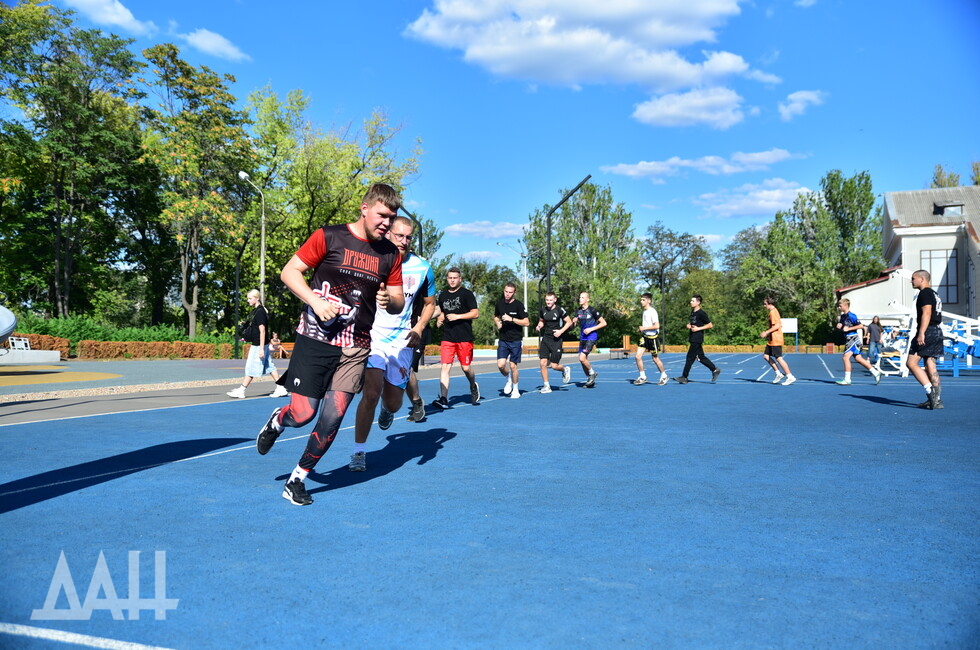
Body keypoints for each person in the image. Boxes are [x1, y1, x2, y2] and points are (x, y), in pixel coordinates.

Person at [253, 183, 405, 506]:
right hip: (316, 338)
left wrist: (387, 299)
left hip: (356, 346)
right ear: (364, 208)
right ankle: (279, 420)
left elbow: (398, 301)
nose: (386, 224)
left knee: (333, 416)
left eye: (392, 219)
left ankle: (297, 479)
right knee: (304, 413)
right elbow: (289, 272)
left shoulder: (390, 254)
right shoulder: (329, 236)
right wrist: (314, 301)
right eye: (382, 216)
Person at [349, 216, 435, 471]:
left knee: (393, 402)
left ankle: (389, 410)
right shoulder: (371, 258)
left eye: (408, 237)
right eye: (399, 236)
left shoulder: (422, 267)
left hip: (402, 341)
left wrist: (419, 327)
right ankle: (358, 452)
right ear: (388, 234)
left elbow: (430, 305)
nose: (404, 241)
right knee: (371, 393)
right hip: (373, 335)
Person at [432, 267, 481, 408]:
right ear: (447, 279)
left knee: (466, 368)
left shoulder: (467, 294)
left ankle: (473, 385)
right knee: (445, 367)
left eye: (455, 278)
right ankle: (443, 399)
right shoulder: (442, 295)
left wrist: (458, 316)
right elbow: (442, 311)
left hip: (464, 337)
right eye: (450, 278)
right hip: (448, 336)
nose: (452, 280)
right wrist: (439, 319)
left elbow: (475, 313)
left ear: (460, 279)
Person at [227, 289, 289, 399]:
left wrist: (261, 349)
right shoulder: (256, 311)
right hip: (261, 344)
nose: (248, 300)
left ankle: (241, 390)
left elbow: (263, 331)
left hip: (258, 345)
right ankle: (281, 388)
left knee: (250, 367)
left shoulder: (260, 312)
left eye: (250, 298)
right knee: (270, 366)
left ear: (257, 298)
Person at [906, 270, 944, 409]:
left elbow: (927, 312)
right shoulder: (934, 293)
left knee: (911, 362)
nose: (911, 281)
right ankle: (937, 400)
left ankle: (930, 393)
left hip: (927, 330)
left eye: (913, 278)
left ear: (922, 279)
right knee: (930, 364)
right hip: (937, 330)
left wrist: (921, 332)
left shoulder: (924, 293)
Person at [493, 282, 530, 399]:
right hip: (503, 339)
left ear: (514, 293)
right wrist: (498, 323)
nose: (507, 294)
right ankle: (509, 378)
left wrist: (512, 319)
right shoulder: (499, 304)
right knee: (500, 365)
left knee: (513, 366)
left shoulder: (518, 305)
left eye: (510, 292)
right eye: (506, 291)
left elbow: (527, 322)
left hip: (515, 340)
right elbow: (495, 316)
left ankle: (515, 389)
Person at [673, 294, 720, 384]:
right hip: (693, 337)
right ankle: (715, 369)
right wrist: (689, 326)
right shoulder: (693, 312)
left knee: (689, 358)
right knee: (701, 357)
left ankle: (684, 377)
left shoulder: (701, 313)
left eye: (693, 301)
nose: (691, 302)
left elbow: (710, 325)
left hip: (697, 338)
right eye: (691, 301)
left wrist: (698, 328)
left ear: (698, 302)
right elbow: (694, 324)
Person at [835, 298, 882, 386]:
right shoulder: (842, 316)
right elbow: (843, 327)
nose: (839, 307)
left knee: (845, 358)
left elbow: (860, 326)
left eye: (840, 306)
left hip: (853, 338)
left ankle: (847, 379)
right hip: (848, 338)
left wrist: (849, 328)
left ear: (846, 306)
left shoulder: (852, 315)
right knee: (858, 359)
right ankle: (875, 372)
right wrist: (840, 326)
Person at [535, 291, 573, 393]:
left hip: (556, 340)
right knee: (542, 363)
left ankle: (565, 369)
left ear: (555, 300)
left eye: (551, 300)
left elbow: (569, 322)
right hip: (546, 339)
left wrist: (560, 331)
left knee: (554, 365)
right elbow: (542, 321)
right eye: (547, 300)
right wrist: (539, 326)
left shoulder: (559, 310)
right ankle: (546, 386)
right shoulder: (543, 310)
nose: (548, 302)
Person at [572, 291, 606, 388]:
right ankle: (590, 379)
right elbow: (572, 327)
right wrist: (573, 323)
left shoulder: (593, 311)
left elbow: (604, 323)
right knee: (582, 360)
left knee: (582, 358)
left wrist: (591, 329)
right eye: (580, 297)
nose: (580, 299)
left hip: (591, 336)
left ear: (587, 299)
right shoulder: (578, 311)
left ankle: (592, 373)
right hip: (582, 337)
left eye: (582, 297)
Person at [634, 292, 668, 386]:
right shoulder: (644, 311)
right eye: (641, 300)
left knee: (655, 359)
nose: (641, 301)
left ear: (649, 301)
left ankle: (664, 375)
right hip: (644, 337)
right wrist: (642, 329)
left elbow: (657, 325)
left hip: (652, 338)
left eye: (643, 300)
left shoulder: (652, 311)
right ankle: (642, 376)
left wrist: (644, 328)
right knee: (637, 356)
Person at [761, 297, 796, 386]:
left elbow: (777, 325)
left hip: (776, 339)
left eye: (765, 304)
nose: (764, 306)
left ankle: (790, 376)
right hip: (771, 339)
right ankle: (778, 374)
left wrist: (766, 332)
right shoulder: (772, 312)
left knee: (778, 358)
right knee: (766, 356)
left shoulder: (773, 312)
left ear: (769, 304)